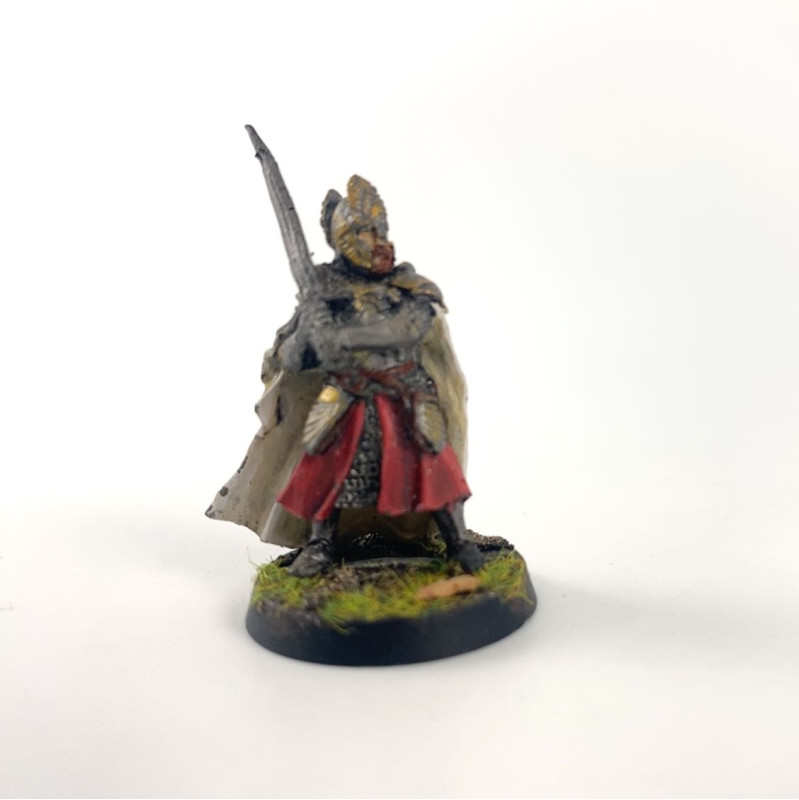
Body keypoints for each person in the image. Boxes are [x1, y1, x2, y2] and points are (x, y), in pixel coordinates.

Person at [207, 146, 483, 577]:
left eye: (380, 230)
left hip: (406, 388)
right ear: (345, 241)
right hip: (348, 393)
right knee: (326, 467)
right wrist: (309, 330)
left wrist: (342, 337)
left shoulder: (407, 286)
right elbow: (294, 360)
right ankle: (321, 544)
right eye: (366, 233)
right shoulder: (325, 291)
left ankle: (456, 541)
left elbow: (407, 329)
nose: (378, 241)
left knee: (433, 466)